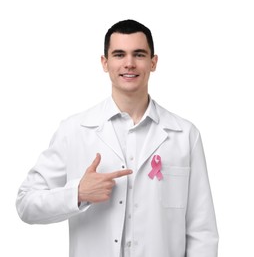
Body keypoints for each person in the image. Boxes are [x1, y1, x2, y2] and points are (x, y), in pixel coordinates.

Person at [16, 19, 219, 257]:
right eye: (119, 54)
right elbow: (26, 203)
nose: (129, 64)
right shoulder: (75, 131)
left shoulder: (184, 135)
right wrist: (78, 193)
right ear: (105, 62)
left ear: (153, 63)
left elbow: (201, 230)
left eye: (139, 54)